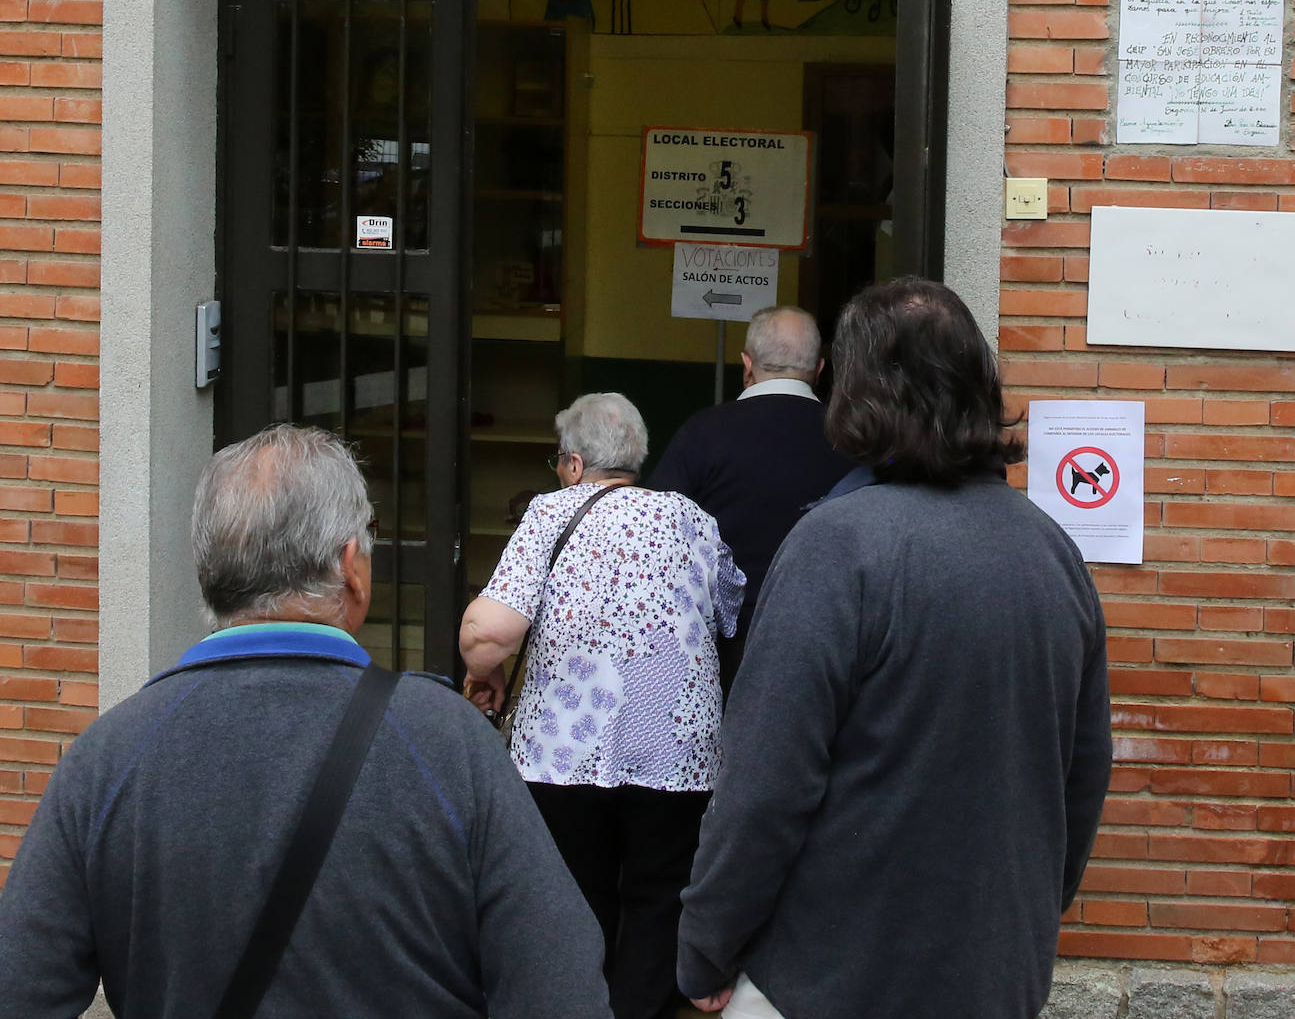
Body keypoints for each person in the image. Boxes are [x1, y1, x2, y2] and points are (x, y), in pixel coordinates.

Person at [0, 424, 611, 1019]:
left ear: (209, 572)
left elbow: (18, 987)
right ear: (353, 569)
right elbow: (561, 988)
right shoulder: (448, 745)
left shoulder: (108, 757)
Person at [677, 278, 1112, 1019]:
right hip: (994, 976)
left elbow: (764, 786)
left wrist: (706, 947)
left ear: (853, 391)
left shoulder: (836, 546)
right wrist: (1024, 918)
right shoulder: (1051, 551)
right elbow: (1083, 769)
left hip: (827, 977)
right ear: (980, 382)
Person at [460, 391, 744, 1019]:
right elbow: (727, 615)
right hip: (676, 750)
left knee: (573, 896)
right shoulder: (691, 518)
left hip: (565, 749)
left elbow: (489, 635)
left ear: (574, 463)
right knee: (660, 895)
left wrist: (487, 672)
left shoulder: (549, 512)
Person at [649, 306, 850, 691]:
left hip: (721, 649)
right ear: (820, 369)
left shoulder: (703, 434)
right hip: (825, 643)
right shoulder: (850, 441)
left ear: (746, 364)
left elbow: (658, 536)